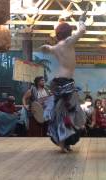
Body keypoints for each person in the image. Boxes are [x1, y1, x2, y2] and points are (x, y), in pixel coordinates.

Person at [40, 12, 87, 152]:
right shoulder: (67, 43)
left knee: (63, 113)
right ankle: (63, 142)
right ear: (68, 32)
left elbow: (47, 49)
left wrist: (45, 47)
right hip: (64, 82)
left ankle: (64, 142)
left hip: (59, 81)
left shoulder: (56, 47)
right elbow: (82, 30)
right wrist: (81, 21)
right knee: (66, 113)